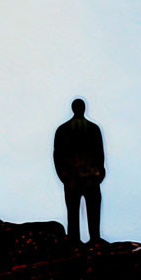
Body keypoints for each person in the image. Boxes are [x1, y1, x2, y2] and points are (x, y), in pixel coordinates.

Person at [53, 98, 106, 243]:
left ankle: (75, 240)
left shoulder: (62, 129)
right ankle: (93, 239)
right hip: (88, 177)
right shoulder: (93, 129)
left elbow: (57, 155)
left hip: (73, 178)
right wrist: (100, 172)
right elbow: (100, 154)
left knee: (74, 211)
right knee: (91, 210)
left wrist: (63, 175)